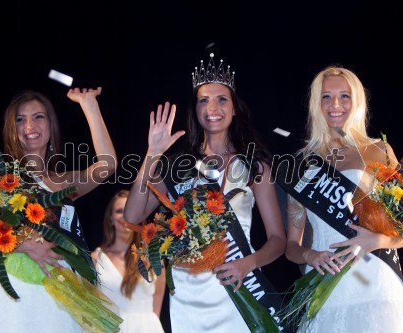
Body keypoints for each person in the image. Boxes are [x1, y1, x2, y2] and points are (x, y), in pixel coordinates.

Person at [123, 53, 287, 332]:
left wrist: (249, 264)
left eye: (222, 99)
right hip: (188, 293)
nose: (213, 106)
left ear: (235, 108)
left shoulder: (254, 165)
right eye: (204, 100)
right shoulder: (177, 166)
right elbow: (132, 214)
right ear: (196, 111)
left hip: (236, 283)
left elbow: (277, 240)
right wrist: (152, 154)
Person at [283, 66, 403, 332]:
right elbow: (290, 247)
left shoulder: (378, 151)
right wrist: (309, 255)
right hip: (324, 288)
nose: (335, 105)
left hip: (374, 280)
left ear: (357, 102)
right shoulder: (301, 166)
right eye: (326, 97)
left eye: (344, 96)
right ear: (315, 104)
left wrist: (376, 240)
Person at [0, 87, 117, 332]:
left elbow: (108, 164)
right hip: (20, 290)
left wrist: (89, 105)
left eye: (38, 117)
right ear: (10, 129)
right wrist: (22, 243)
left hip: (65, 290)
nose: (29, 126)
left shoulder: (64, 182)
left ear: (50, 124)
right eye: (20, 119)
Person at [92, 189, 165, 333]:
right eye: (119, 211)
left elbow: (156, 308)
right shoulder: (96, 259)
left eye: (130, 210)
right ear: (110, 218)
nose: (126, 215)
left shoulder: (153, 258)